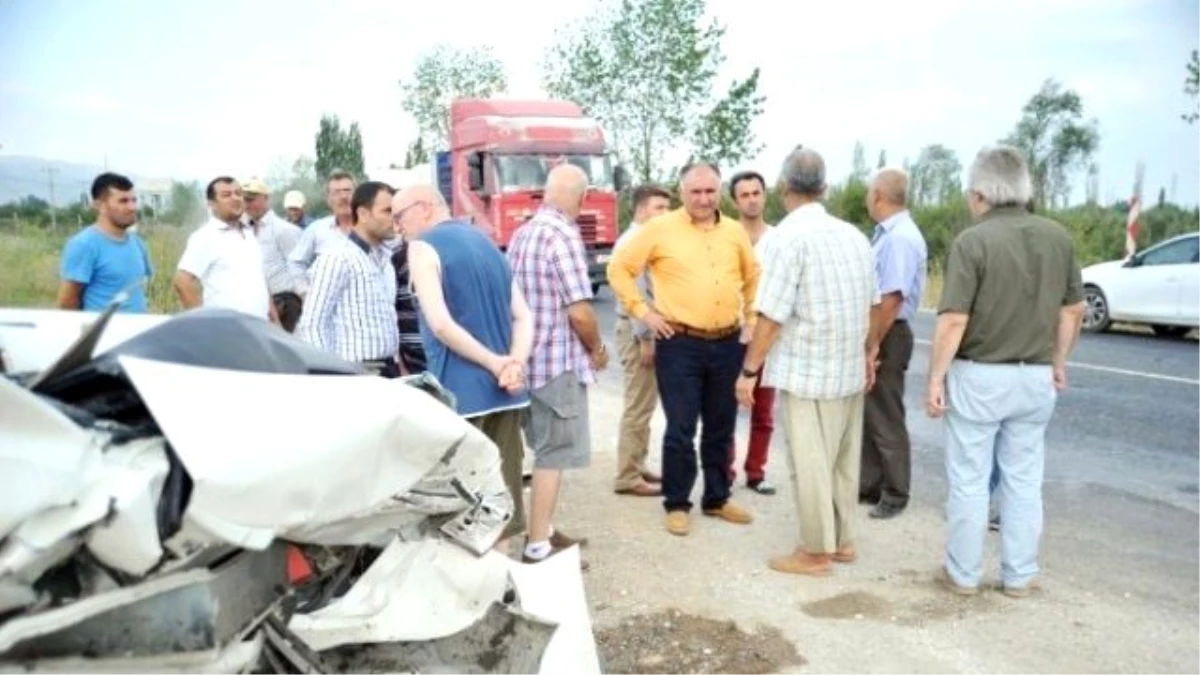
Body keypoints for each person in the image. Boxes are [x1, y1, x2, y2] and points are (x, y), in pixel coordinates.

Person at [927, 145, 1084, 598]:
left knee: (970, 478)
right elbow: (1072, 311)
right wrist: (1058, 361)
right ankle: (1018, 575)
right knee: (1023, 479)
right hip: (1034, 377)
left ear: (980, 193)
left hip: (980, 376)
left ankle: (963, 573)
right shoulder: (1058, 237)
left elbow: (954, 319)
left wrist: (936, 379)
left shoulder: (973, 241)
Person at [736, 147, 878, 577]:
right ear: (825, 188)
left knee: (810, 463)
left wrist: (748, 371)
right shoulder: (854, 235)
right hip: (848, 369)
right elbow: (872, 305)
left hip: (808, 371)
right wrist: (870, 353)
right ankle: (843, 540)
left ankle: (815, 551)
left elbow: (771, 315)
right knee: (842, 461)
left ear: (782, 189)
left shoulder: (785, 239)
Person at [607, 161, 759, 537]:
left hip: (727, 342)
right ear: (683, 192)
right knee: (681, 427)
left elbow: (753, 276)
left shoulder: (735, 232)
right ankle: (677, 502)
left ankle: (717, 497)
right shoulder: (659, 229)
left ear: (720, 191)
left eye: (710, 191)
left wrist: (752, 318)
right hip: (680, 343)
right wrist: (644, 312)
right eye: (696, 192)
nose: (704, 199)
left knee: (721, 426)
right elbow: (618, 270)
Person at [397, 183, 534, 551]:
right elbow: (522, 315)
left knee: (464, 508)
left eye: (400, 216)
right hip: (507, 395)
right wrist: (514, 364)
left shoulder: (423, 247)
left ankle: (477, 596)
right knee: (501, 502)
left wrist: (494, 362)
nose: (398, 227)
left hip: (460, 395)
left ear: (423, 207)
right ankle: (505, 586)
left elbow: (439, 324)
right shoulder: (487, 243)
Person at [507, 163, 606, 566]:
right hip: (557, 363)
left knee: (542, 449)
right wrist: (597, 349)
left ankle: (543, 528)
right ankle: (537, 546)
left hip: (527, 361)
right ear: (582, 199)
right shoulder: (564, 236)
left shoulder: (523, 233)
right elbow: (580, 312)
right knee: (554, 455)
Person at [859, 167, 928, 519]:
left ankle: (895, 492)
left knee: (885, 413)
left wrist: (872, 345)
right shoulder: (888, 233)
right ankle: (869, 484)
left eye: (870, 191)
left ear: (879, 196)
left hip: (889, 332)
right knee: (870, 411)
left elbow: (892, 298)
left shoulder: (899, 237)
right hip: (884, 330)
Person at [295, 181, 401, 376]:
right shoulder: (337, 257)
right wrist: (330, 375)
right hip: (355, 370)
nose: (395, 218)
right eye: (387, 211)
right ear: (362, 214)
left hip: (387, 367)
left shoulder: (385, 260)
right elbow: (313, 324)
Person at [612, 183, 672, 497]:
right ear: (640, 209)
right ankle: (627, 476)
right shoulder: (635, 241)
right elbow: (635, 295)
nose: (665, 214)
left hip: (640, 329)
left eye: (667, 208)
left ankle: (636, 465)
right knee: (638, 404)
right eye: (658, 208)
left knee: (644, 403)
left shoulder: (644, 238)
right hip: (637, 331)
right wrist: (647, 338)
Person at [726, 170, 778, 495]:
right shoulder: (726, 236)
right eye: (744, 194)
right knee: (725, 409)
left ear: (765, 195)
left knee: (764, 411)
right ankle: (725, 472)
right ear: (735, 200)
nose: (751, 199)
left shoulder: (779, 238)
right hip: (730, 335)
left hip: (767, 335)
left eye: (756, 192)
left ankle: (756, 472)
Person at [174, 176, 274, 321]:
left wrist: (276, 323)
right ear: (212, 204)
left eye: (238, 193)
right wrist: (204, 326)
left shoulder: (249, 233)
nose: (235, 198)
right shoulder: (205, 237)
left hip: (259, 328)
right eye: (226, 195)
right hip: (227, 331)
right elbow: (182, 282)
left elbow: (259, 282)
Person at [57, 172, 153, 313]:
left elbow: (137, 290)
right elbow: (67, 303)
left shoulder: (137, 242)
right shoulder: (85, 245)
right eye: (123, 201)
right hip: (105, 332)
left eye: (134, 200)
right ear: (100, 206)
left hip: (137, 331)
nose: (132, 207)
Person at [242, 178, 304, 332]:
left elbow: (301, 269)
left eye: (251, 199)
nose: (247, 204)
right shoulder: (243, 230)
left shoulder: (284, 230)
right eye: (244, 200)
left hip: (285, 303)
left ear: (266, 198)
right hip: (257, 304)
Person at [288, 169, 356, 293]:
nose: (343, 197)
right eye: (336, 192)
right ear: (328, 199)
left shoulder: (370, 228)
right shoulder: (316, 229)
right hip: (327, 308)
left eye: (348, 191)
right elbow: (295, 262)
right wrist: (305, 293)